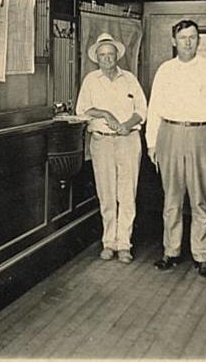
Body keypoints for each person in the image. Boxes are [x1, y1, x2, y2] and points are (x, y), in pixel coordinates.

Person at [145, 20, 206, 278]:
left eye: (192, 37)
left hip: (200, 135)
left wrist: (205, 118)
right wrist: (152, 142)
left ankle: (202, 255)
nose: (187, 42)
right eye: (182, 37)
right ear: (174, 41)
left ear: (198, 40)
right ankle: (170, 252)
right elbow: (154, 109)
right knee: (171, 200)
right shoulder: (165, 70)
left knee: (200, 199)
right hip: (169, 135)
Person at [76, 32, 147, 264]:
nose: (107, 58)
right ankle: (109, 242)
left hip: (128, 141)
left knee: (127, 193)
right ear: (96, 58)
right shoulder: (90, 80)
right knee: (106, 194)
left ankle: (124, 244)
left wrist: (126, 125)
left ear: (117, 55)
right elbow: (82, 110)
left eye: (110, 54)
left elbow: (142, 110)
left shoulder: (129, 79)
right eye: (102, 55)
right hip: (102, 141)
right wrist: (105, 113)